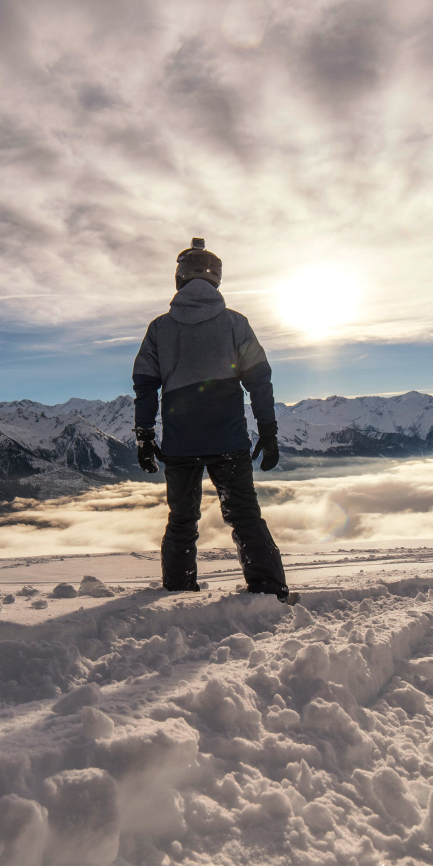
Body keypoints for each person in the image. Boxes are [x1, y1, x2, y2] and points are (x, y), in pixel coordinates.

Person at [132, 238, 290, 600]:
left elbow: (144, 386)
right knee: (245, 518)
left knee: (182, 520)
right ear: (217, 279)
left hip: (180, 444)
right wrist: (268, 431)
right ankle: (269, 592)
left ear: (179, 278)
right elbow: (259, 382)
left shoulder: (160, 328)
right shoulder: (236, 324)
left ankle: (178, 592)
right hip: (229, 442)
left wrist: (144, 436)